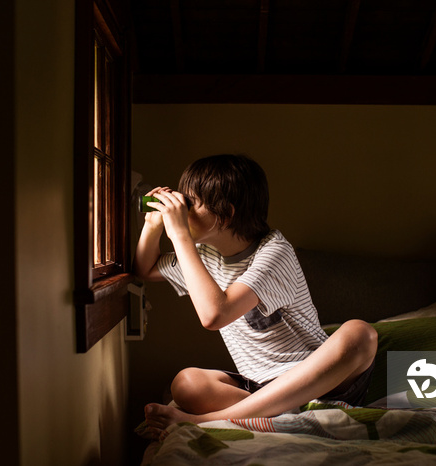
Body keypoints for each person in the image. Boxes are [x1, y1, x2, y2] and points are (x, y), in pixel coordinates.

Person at [133, 154, 377, 438]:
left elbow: (214, 315)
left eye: (191, 203)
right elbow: (145, 268)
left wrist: (179, 235)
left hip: (321, 381)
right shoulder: (204, 255)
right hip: (260, 386)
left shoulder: (275, 252)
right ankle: (281, 413)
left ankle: (205, 420)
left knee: (360, 333)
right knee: (186, 383)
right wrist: (152, 226)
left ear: (224, 215)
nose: (182, 211)